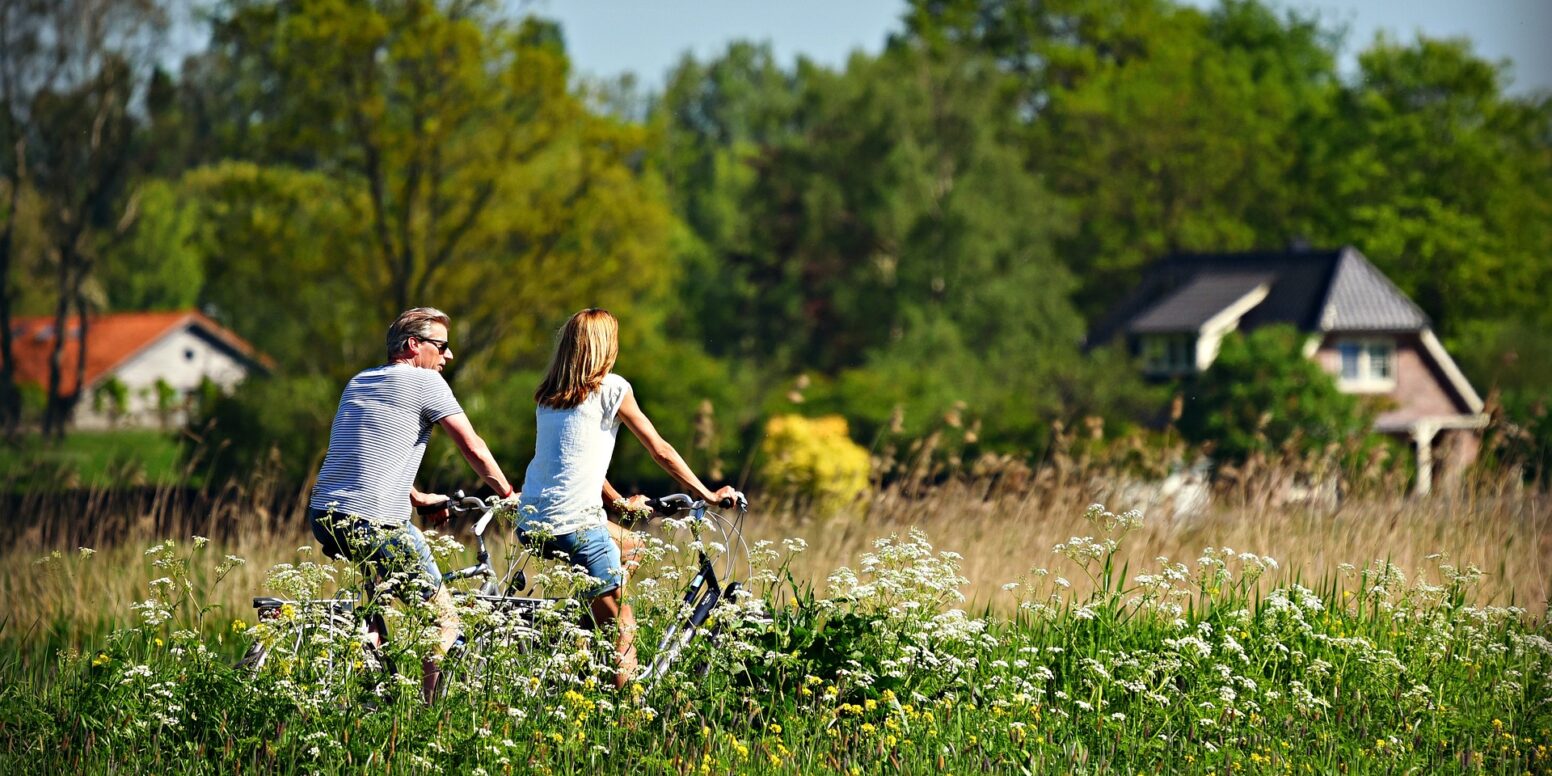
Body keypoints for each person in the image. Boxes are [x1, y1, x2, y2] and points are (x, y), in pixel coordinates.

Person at [515, 308, 738, 689]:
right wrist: (708, 494)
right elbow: (660, 449)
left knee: (631, 545)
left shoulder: (548, 397)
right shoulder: (613, 388)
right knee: (624, 623)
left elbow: (573, 461)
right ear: (605, 347)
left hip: (532, 519)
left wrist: (616, 501)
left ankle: (584, 635)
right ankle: (628, 718)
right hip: (576, 523)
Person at [309, 307, 515, 704]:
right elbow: (472, 446)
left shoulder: (359, 381)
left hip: (325, 514)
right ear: (413, 346)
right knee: (444, 621)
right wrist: (508, 494)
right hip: (374, 520)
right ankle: (428, 717)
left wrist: (418, 497)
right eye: (441, 346)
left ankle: (372, 682)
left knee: (375, 608)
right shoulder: (426, 383)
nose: (448, 356)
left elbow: (367, 455)